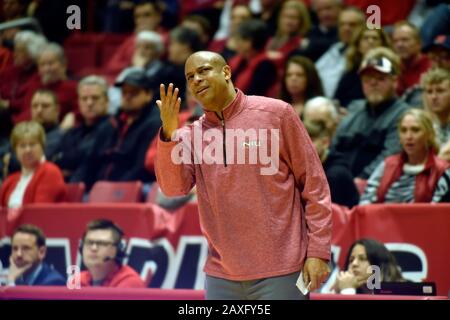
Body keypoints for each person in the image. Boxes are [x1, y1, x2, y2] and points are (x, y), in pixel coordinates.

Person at [155, 51, 332, 300]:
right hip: (221, 274)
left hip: (282, 268)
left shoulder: (277, 114)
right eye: (190, 76)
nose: (196, 79)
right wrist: (169, 134)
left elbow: (314, 185)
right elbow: (173, 189)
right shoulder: (190, 135)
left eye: (204, 70)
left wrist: (318, 252)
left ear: (226, 72)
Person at [330, 47, 410, 180]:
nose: (373, 83)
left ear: (394, 82)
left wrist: (362, 179)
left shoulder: (404, 115)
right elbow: (334, 148)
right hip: (340, 181)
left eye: (380, 78)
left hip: (374, 186)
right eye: (367, 79)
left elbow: (390, 158)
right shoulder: (354, 108)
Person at [76, 68, 161, 190]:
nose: (127, 97)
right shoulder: (111, 123)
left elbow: (141, 167)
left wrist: (113, 189)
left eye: (134, 93)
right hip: (99, 190)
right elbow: (90, 161)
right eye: (124, 92)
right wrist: (79, 187)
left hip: (133, 189)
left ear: (148, 95)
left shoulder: (155, 123)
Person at [360, 109, 450, 204]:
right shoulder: (387, 165)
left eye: (415, 130)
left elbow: (437, 211)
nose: (408, 136)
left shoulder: (442, 170)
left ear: (429, 135)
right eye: (403, 130)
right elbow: (365, 204)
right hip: (384, 218)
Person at [54, 76, 110, 182]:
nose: (89, 103)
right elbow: (58, 161)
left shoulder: (114, 128)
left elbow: (91, 162)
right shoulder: (72, 132)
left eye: (95, 98)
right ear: (78, 102)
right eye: (84, 98)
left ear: (106, 100)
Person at [0, 121, 66, 208]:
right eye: (22, 146)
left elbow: (38, 214)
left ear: (42, 146)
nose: (27, 150)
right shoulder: (10, 180)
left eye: (32, 144)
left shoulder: (50, 172)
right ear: (15, 151)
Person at [334, 26, 392, 108]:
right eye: (365, 38)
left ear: (383, 44)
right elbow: (337, 101)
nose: (370, 41)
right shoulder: (350, 74)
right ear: (358, 45)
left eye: (375, 38)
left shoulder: (391, 70)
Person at [315, 7, 365, 98]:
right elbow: (315, 72)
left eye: (352, 25)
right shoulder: (336, 48)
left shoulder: (364, 54)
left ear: (363, 27)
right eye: (342, 24)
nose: (346, 28)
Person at [79, 219, 145, 288]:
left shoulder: (130, 282)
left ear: (118, 250)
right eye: (89, 242)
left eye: (102, 243)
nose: (93, 248)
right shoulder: (77, 281)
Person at [333, 238, 405, 294]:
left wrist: (347, 290)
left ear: (378, 263)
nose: (354, 264)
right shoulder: (346, 289)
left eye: (362, 259)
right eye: (351, 260)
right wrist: (336, 293)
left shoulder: (403, 291)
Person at [228, 19, 278, 97]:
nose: (236, 42)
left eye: (238, 39)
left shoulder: (265, 66)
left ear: (249, 41)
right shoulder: (241, 61)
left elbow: (255, 95)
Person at [392, 21, 432, 96]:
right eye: (395, 41)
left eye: (405, 40)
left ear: (419, 43)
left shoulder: (432, 67)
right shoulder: (392, 68)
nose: (399, 45)